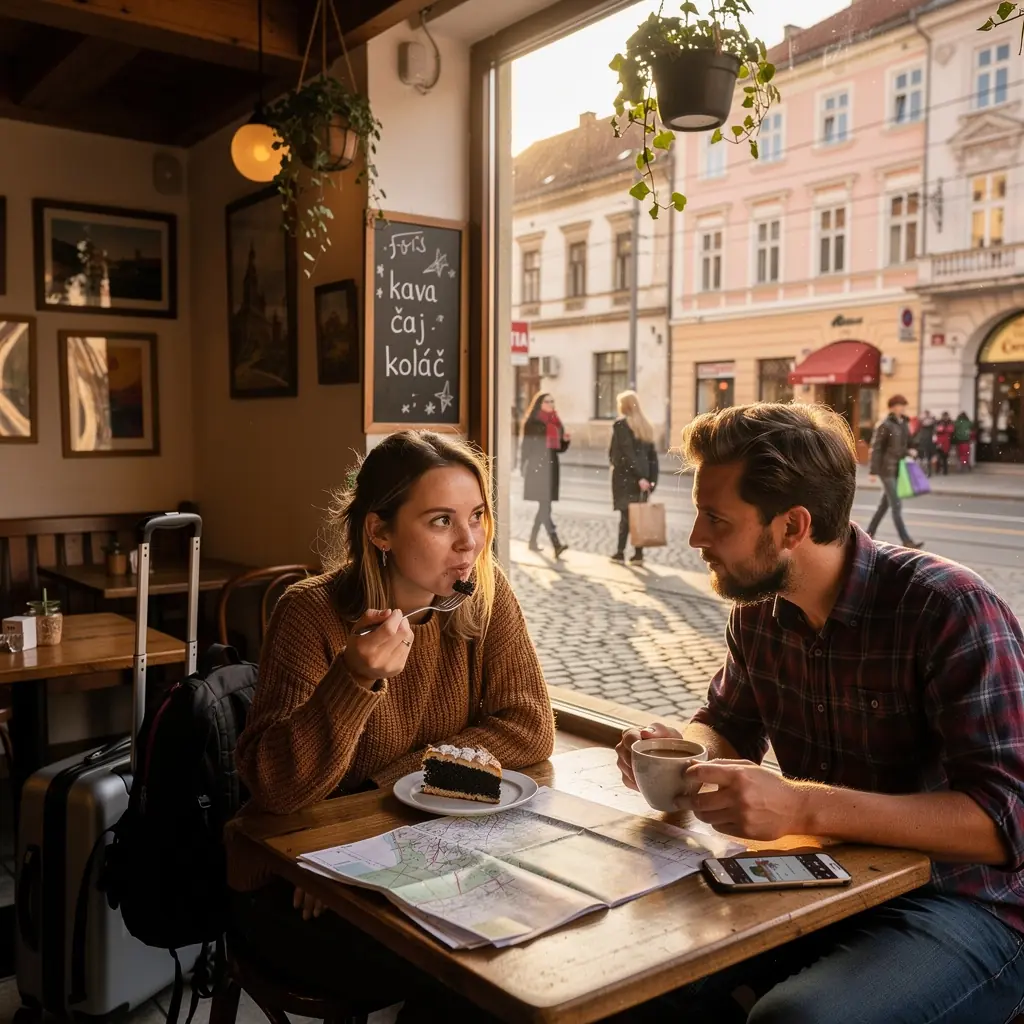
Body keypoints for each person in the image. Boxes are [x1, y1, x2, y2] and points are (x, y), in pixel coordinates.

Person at [613, 402, 1024, 1024]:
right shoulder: (760, 608)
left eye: (715, 518)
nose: (694, 536)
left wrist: (802, 806)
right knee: (634, 973)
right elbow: (727, 725)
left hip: (964, 904)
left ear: (792, 526)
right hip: (818, 876)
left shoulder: (948, 608)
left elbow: (1005, 822)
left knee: (798, 1021)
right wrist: (681, 752)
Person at [227, 430, 555, 1020]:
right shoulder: (311, 614)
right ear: (380, 532)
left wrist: (382, 794)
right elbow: (276, 790)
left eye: (476, 516)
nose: (469, 542)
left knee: (522, 940)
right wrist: (353, 680)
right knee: (466, 968)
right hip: (294, 881)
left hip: (418, 852)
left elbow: (530, 728)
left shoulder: (484, 596)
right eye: (440, 522)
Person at [609, 390, 660, 564]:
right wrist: (650, 480)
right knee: (638, 516)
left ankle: (619, 553)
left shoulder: (621, 425)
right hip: (642, 480)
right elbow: (653, 458)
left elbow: (624, 454)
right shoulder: (646, 425)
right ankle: (638, 555)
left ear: (624, 406)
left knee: (626, 517)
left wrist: (637, 477)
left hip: (626, 477)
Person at [866, 394, 921, 549]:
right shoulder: (885, 424)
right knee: (896, 505)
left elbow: (908, 443)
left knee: (884, 505)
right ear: (892, 407)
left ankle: (869, 533)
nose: (903, 408)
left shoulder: (903, 423)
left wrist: (912, 449)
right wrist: (873, 471)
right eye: (900, 405)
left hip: (898, 468)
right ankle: (906, 540)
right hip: (886, 469)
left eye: (904, 405)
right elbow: (876, 449)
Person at [520, 392, 570, 557]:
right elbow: (526, 446)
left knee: (545, 506)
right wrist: (523, 465)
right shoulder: (532, 423)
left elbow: (559, 449)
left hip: (552, 466)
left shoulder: (556, 421)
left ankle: (533, 541)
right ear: (540, 403)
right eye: (547, 401)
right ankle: (556, 543)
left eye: (552, 401)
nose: (551, 404)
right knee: (545, 505)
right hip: (537, 467)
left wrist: (566, 441)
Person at [913, 408, 936, 477]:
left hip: (925, 442)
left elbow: (915, 432)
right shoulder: (930, 424)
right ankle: (927, 472)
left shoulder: (922, 424)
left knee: (924, 458)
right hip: (925, 442)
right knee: (925, 458)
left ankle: (925, 472)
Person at [934, 410, 954, 475]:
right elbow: (938, 430)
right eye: (944, 416)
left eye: (946, 416)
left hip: (946, 442)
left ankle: (945, 471)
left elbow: (951, 430)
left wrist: (943, 429)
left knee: (945, 457)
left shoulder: (949, 422)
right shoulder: (939, 422)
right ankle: (938, 469)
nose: (945, 417)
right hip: (940, 442)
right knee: (939, 456)